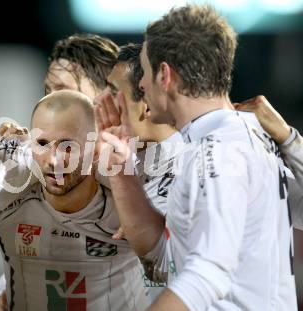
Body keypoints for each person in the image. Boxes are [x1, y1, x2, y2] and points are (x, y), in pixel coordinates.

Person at [97, 4, 297, 310]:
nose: (141, 84)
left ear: (165, 75)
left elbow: (207, 274)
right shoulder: (225, 138)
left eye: (145, 71)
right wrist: (123, 172)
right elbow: (168, 261)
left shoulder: (218, 151)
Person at [0, 90, 152, 310]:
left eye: (68, 146)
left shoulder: (131, 207)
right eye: (43, 143)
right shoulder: (4, 197)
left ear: (95, 150)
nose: (54, 160)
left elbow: (170, 270)